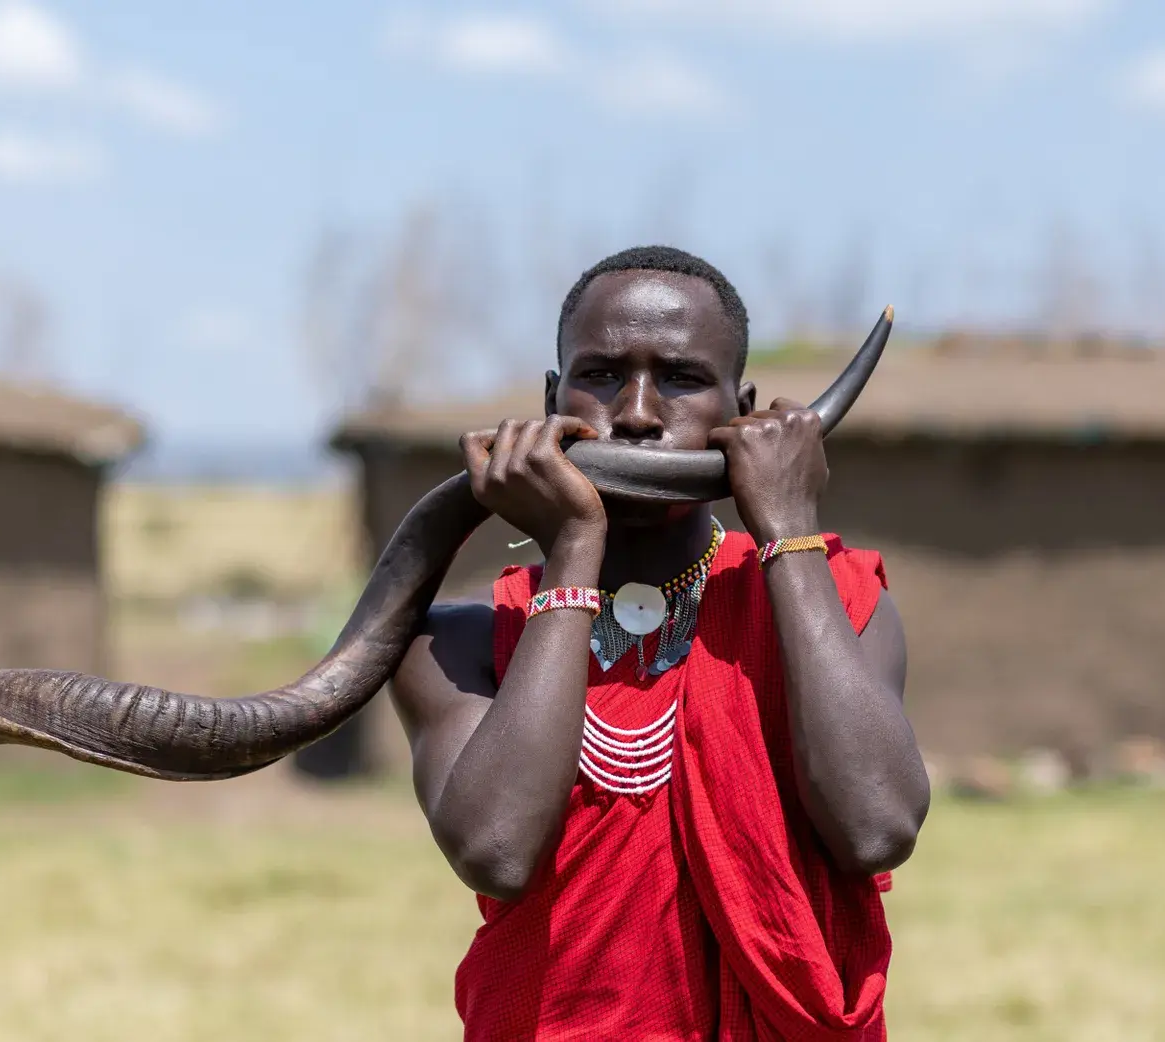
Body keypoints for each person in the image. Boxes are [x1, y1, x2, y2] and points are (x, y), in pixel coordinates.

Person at [391, 245, 930, 1041]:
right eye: (602, 374)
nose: (638, 413)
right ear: (551, 400)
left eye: (680, 378)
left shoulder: (839, 600)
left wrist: (788, 528)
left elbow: (877, 827)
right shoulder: (461, 642)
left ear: (741, 413)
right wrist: (574, 545)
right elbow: (497, 850)